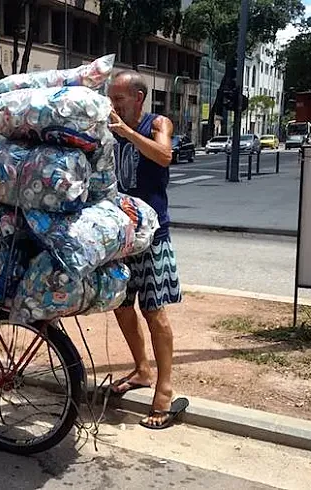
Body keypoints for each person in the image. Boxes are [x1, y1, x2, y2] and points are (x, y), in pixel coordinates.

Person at [107, 70, 188, 430]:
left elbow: (165, 155)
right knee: (121, 307)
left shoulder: (158, 123)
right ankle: (142, 369)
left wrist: (127, 133)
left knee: (154, 311)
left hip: (153, 235)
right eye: (110, 98)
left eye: (119, 99)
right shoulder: (109, 130)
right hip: (121, 235)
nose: (113, 105)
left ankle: (165, 389)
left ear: (138, 98)